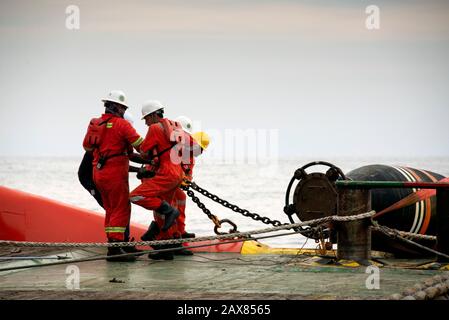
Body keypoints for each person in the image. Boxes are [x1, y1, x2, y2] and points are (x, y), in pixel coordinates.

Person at [82, 90, 144, 262]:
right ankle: (116, 249)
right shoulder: (122, 125)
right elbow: (141, 146)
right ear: (117, 107)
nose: (123, 111)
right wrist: (156, 155)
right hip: (115, 174)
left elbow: (87, 147)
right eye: (122, 108)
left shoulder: (96, 123)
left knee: (110, 209)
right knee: (121, 208)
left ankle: (113, 246)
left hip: (98, 174)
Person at [129, 100, 186, 259]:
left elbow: (145, 152)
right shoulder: (175, 126)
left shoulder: (154, 128)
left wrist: (131, 149)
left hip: (166, 173)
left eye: (147, 118)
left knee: (135, 196)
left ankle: (170, 211)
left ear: (154, 115)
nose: (146, 122)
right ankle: (166, 250)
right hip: (177, 173)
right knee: (160, 214)